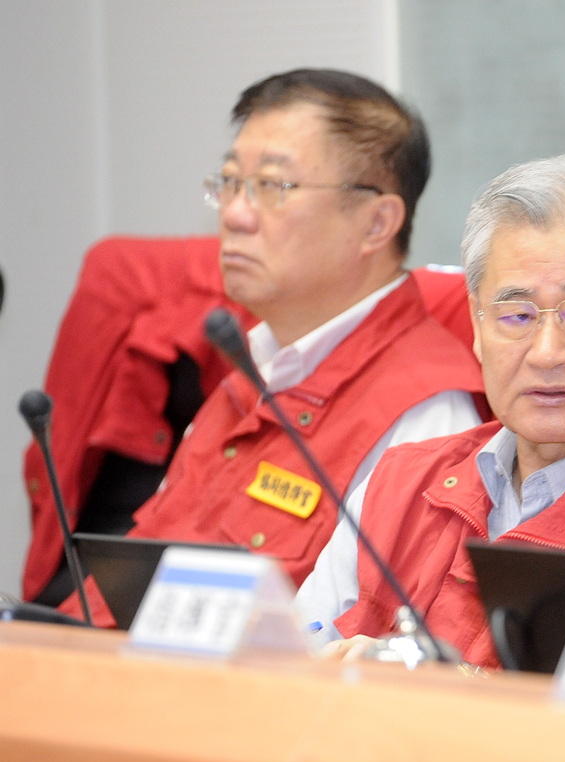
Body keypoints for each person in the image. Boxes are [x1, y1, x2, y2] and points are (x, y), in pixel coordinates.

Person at [60, 69, 485, 624]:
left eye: (272, 186)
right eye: (230, 182)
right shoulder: (253, 365)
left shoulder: (427, 418)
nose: (234, 214)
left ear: (377, 223)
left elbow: (367, 647)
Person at [296, 155, 565, 664]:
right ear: (477, 325)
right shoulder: (399, 484)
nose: (547, 353)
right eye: (517, 315)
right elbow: (289, 665)